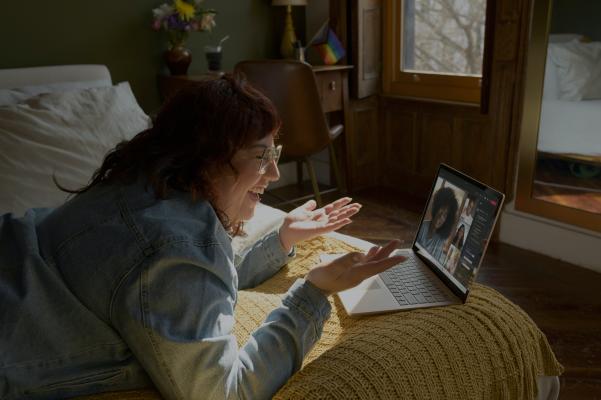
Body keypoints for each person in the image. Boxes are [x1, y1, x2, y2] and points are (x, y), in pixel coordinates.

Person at [0, 75, 405, 400]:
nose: (275, 174)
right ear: (208, 157)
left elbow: (175, 284)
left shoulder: (139, 181)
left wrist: (280, 240)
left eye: (274, 154)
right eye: (261, 156)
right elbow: (225, 391)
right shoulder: (173, 247)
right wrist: (314, 291)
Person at [416, 186, 458, 263]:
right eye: (440, 212)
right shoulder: (421, 227)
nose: (440, 218)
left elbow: (435, 262)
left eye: (445, 215)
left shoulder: (441, 239)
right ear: (435, 209)